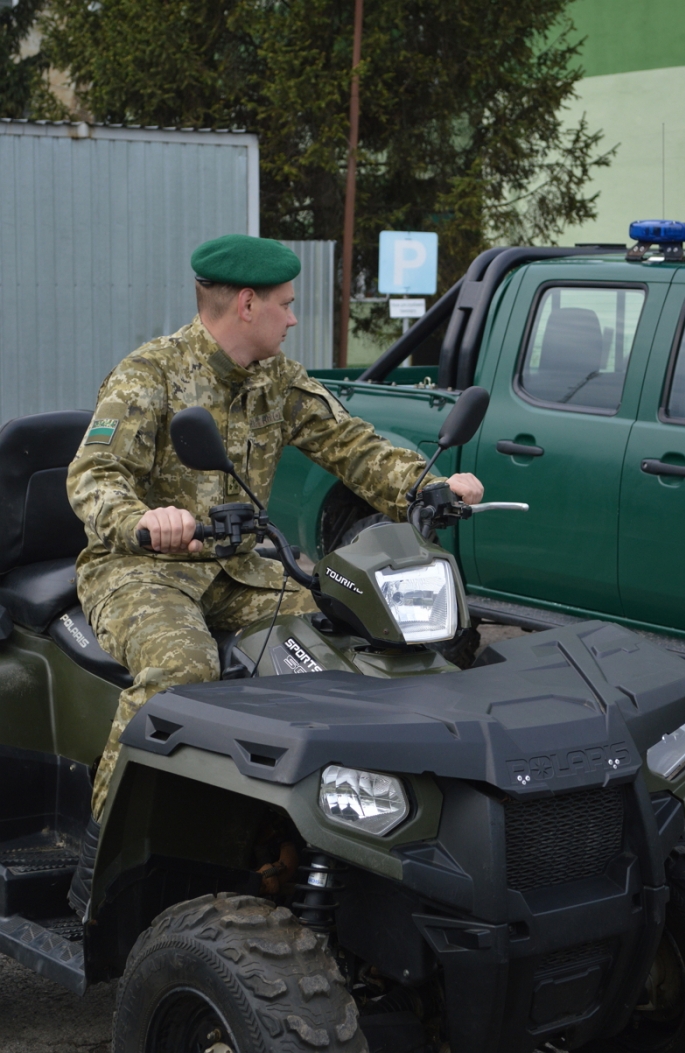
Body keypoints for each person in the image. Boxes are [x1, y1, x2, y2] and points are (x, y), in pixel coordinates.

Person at [65, 234, 484, 914]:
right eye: (286, 306)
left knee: (345, 642)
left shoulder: (278, 380)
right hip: (143, 570)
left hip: (238, 568)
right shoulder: (150, 373)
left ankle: (339, 826)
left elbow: (352, 443)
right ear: (248, 304)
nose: (294, 319)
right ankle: (106, 852)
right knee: (182, 669)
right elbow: (92, 475)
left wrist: (427, 485)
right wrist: (146, 519)